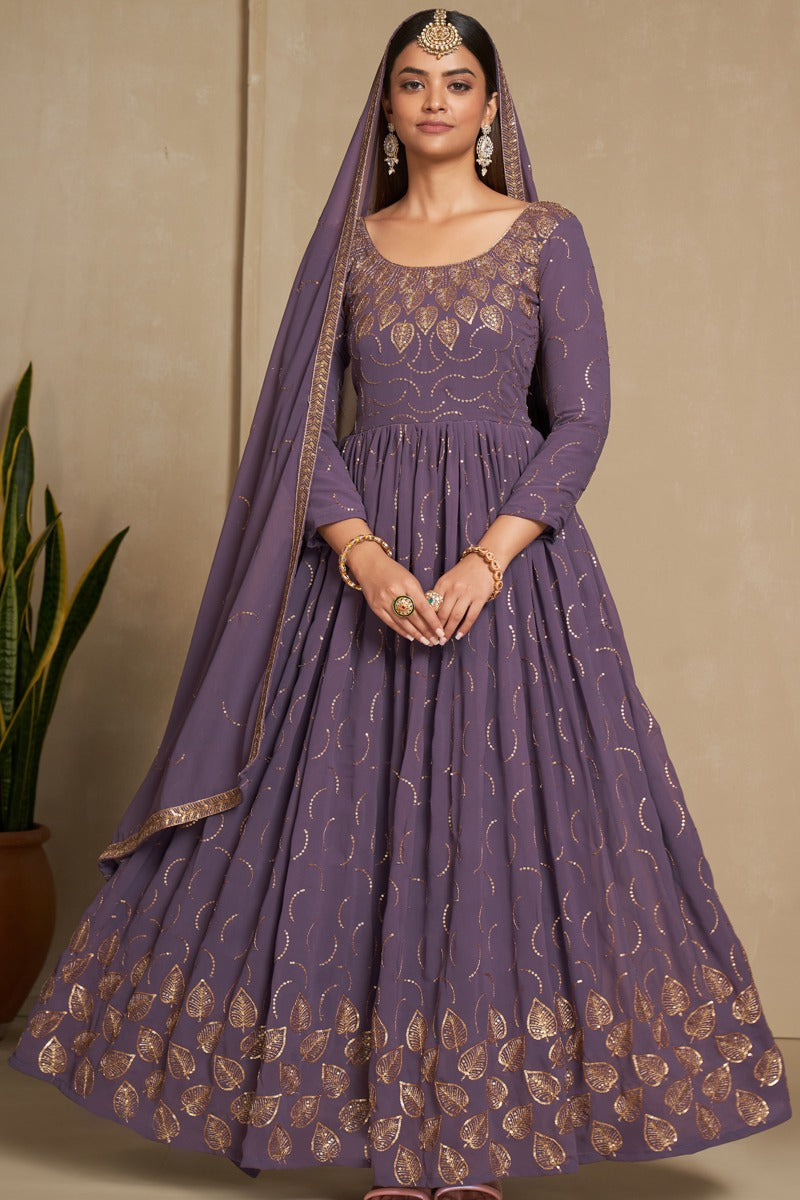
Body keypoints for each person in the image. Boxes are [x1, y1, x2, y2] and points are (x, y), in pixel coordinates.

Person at [8, 9, 791, 1198]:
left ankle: (473, 1136)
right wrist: (365, 559)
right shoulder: (349, 251)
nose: (434, 99)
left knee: (501, 829)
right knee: (350, 835)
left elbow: (579, 418)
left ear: (490, 105)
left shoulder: (545, 236)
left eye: (457, 80)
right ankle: (378, 1131)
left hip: (512, 582)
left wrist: (485, 560)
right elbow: (303, 428)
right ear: (385, 105)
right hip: (360, 583)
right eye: (413, 81)